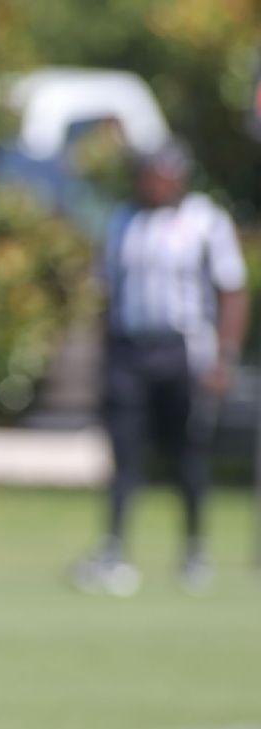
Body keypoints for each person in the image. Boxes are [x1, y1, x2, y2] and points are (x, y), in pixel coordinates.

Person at [72, 141, 249, 595]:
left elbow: (232, 291)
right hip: (131, 351)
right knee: (124, 455)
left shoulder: (205, 221)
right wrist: (101, 355)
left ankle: (193, 550)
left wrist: (225, 357)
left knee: (186, 454)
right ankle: (113, 550)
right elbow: (107, 294)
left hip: (184, 350)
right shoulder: (122, 221)